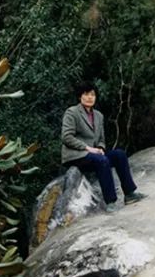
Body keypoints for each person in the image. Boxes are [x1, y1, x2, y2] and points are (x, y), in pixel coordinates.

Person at [61, 83, 146, 213]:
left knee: (119, 154)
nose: (90, 97)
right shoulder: (72, 112)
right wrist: (87, 148)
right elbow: (66, 137)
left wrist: (100, 147)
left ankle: (129, 194)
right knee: (102, 160)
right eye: (86, 94)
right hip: (76, 155)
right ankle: (110, 201)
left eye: (92, 94)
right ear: (80, 96)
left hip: (93, 155)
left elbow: (101, 138)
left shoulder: (98, 115)